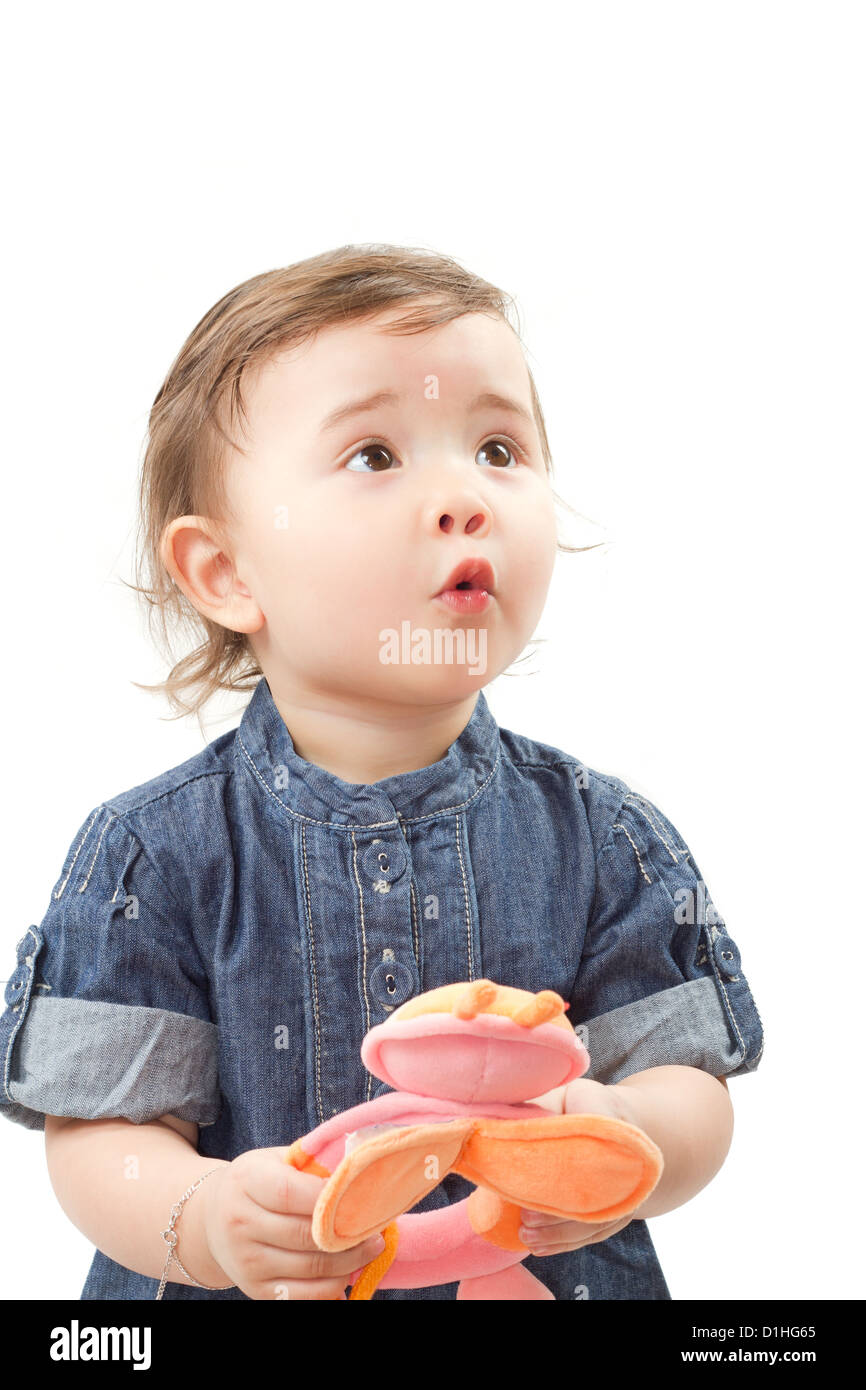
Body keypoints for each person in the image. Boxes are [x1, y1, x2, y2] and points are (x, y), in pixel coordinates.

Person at [0, 243, 764, 1300]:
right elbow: (102, 1136)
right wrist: (203, 1218)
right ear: (225, 572)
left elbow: (689, 1082)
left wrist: (625, 1136)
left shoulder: (601, 836)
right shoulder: (152, 854)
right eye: (373, 455)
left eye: (497, 447)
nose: (463, 497)